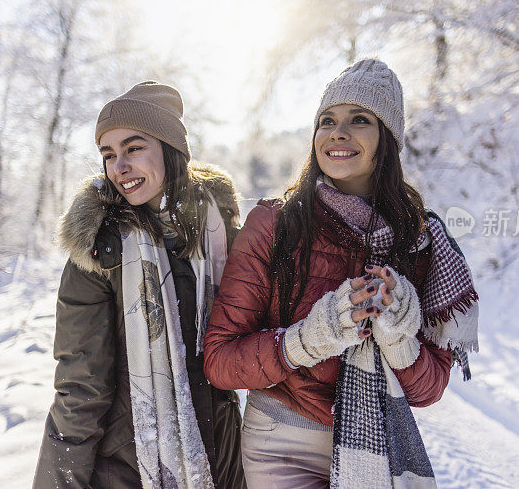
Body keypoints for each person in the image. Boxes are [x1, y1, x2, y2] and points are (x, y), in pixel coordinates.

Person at [203, 59, 480, 488]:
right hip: (282, 443)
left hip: (379, 444)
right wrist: (311, 337)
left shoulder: (419, 241)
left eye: (360, 119)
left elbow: (428, 389)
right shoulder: (275, 224)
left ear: (386, 139)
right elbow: (220, 361)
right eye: (327, 120)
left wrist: (396, 331)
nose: (338, 132)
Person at [33, 81, 246, 489]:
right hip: (130, 465)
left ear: (171, 149)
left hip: (223, 455)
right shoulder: (97, 249)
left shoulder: (219, 232)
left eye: (133, 148)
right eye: (108, 154)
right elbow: (81, 385)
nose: (119, 167)